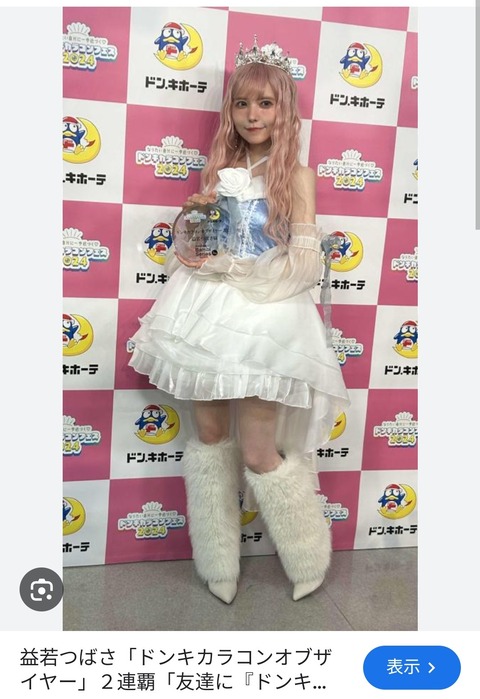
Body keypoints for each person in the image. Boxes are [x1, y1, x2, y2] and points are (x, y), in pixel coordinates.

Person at [129, 38, 350, 605]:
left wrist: (240, 270)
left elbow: (305, 264)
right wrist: (193, 239)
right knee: (208, 438)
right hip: (204, 310)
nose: (253, 115)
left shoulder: (297, 176)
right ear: (231, 109)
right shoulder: (220, 170)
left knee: (257, 451)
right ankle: (216, 562)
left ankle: (307, 557)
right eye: (243, 103)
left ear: (284, 111)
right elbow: (196, 245)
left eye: (266, 104)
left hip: (266, 316)